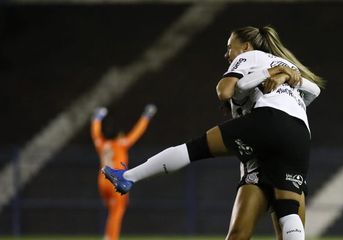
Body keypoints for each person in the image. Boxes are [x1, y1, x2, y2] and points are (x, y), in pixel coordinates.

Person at [102, 25, 324, 240]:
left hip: (268, 122)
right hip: (299, 134)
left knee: (194, 149)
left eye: (230, 47)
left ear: (246, 46)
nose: (227, 53)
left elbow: (224, 91)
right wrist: (285, 73)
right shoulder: (282, 65)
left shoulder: (251, 57)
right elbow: (314, 89)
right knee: (288, 210)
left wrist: (275, 73)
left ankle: (128, 176)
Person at [91, 104, 157, 240]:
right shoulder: (121, 144)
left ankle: (107, 236)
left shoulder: (101, 144)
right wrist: (146, 117)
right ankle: (111, 238)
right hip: (115, 181)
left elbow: (95, 134)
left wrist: (96, 119)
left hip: (102, 182)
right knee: (117, 212)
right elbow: (136, 133)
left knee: (112, 210)